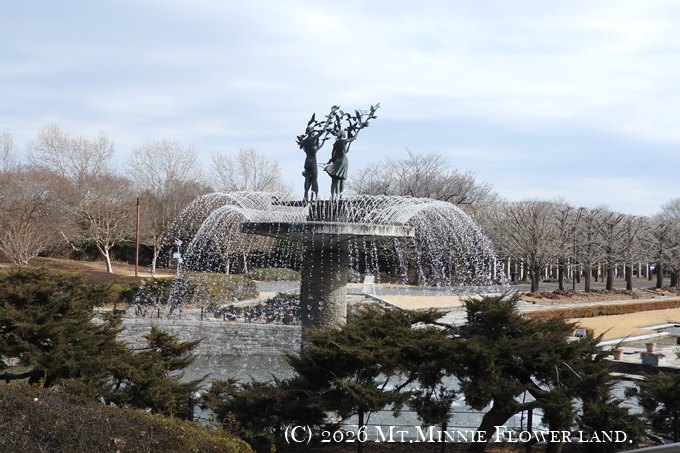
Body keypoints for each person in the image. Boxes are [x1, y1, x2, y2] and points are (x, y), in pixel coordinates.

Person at [299, 124, 328, 202]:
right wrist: (325, 126)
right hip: (313, 162)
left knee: (307, 180)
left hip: (307, 162)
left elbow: (300, 147)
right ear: (312, 132)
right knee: (314, 180)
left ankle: (305, 197)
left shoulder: (305, 141)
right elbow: (321, 133)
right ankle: (316, 196)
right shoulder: (313, 139)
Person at [324, 129, 355, 198]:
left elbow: (332, 153)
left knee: (334, 179)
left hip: (337, 160)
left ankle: (333, 196)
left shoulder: (336, 143)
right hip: (343, 160)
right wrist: (357, 132)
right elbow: (353, 138)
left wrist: (332, 160)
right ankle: (340, 197)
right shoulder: (344, 141)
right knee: (341, 179)